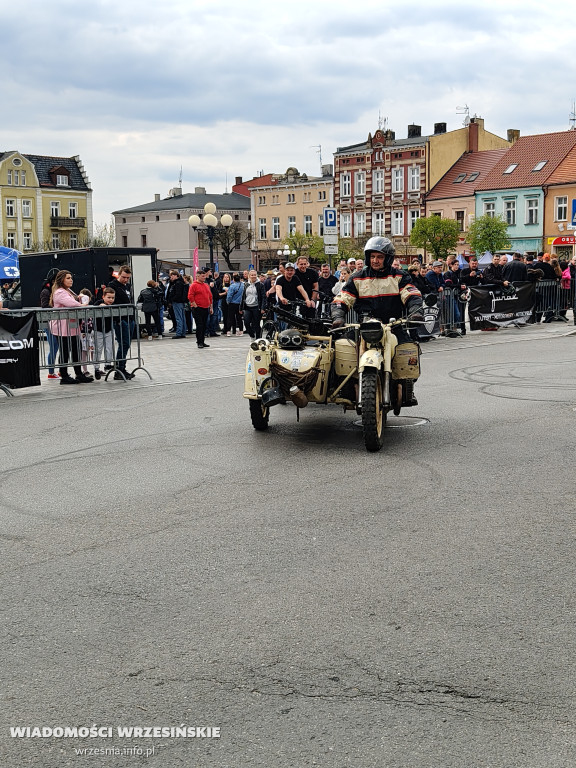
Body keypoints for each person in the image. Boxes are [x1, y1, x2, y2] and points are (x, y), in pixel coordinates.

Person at [331, 236, 422, 325]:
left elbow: (411, 294)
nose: (375, 260)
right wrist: (338, 316)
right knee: (343, 340)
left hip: (393, 326)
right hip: (365, 328)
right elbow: (343, 298)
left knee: (408, 341)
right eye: (372, 256)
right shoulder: (357, 278)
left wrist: (415, 311)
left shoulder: (400, 276)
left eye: (380, 257)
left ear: (388, 258)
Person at [49, 270, 94, 385]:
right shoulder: (59, 292)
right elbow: (71, 303)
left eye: (71, 278)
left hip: (72, 326)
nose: (71, 280)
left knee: (76, 349)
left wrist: (80, 298)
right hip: (62, 327)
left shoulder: (67, 290)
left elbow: (74, 299)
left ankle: (78, 374)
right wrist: (83, 304)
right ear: (61, 280)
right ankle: (64, 375)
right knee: (65, 351)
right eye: (68, 278)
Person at [107, 264, 136, 378]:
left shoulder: (127, 286)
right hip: (120, 319)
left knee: (126, 344)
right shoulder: (113, 285)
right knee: (123, 343)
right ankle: (119, 369)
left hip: (129, 317)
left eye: (128, 277)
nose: (125, 280)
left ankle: (122, 367)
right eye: (124, 277)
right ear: (119, 274)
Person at [40, 268, 60, 379]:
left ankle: (61, 369)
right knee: (54, 346)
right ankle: (51, 371)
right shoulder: (46, 291)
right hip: (49, 321)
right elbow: (44, 306)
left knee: (60, 345)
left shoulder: (56, 291)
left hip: (57, 321)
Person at [93, 287, 116, 379]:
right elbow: (95, 306)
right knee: (98, 350)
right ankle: (96, 368)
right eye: (109, 297)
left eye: (112, 298)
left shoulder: (113, 306)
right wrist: (100, 305)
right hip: (98, 330)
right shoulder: (98, 302)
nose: (111, 300)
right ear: (103, 296)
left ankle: (107, 364)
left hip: (109, 330)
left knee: (109, 348)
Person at [188, 269, 213, 348]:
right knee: (200, 325)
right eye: (202, 276)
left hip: (206, 307)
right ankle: (199, 342)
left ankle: (202, 340)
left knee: (205, 325)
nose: (204, 278)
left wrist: (211, 306)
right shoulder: (194, 285)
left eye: (205, 276)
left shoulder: (206, 285)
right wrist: (194, 304)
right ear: (197, 276)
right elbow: (190, 296)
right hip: (198, 308)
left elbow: (210, 296)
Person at [240, 269, 266, 339]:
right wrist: (241, 308)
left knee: (256, 324)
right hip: (248, 307)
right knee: (246, 323)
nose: (253, 276)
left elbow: (263, 297)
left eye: (255, 275)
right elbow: (243, 296)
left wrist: (263, 308)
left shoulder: (260, 285)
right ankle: (252, 335)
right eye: (252, 275)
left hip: (256, 307)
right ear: (249, 276)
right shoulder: (246, 284)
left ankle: (258, 339)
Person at [165, 270, 188, 338]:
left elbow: (177, 294)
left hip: (177, 302)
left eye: (172, 276)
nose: (171, 277)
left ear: (176, 276)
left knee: (178, 318)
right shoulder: (180, 282)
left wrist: (172, 299)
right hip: (181, 302)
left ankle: (179, 333)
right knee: (182, 317)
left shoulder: (177, 283)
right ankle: (183, 332)